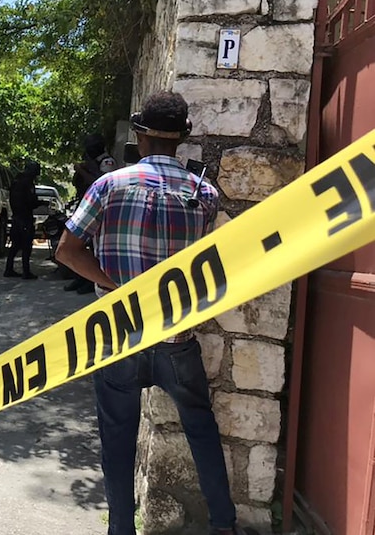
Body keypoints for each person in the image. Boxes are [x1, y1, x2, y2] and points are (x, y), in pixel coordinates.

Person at [56, 91, 256, 535]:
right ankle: (224, 524)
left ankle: (122, 528)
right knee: (202, 431)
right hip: (177, 340)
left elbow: (67, 251)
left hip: (119, 336)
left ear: (141, 135)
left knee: (117, 438)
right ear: (181, 139)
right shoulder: (203, 194)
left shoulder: (108, 186)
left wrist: (116, 285)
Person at [64, 134, 105, 294]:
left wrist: (82, 170)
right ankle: (81, 278)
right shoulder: (92, 162)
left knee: (94, 249)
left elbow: (99, 183)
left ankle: (91, 280)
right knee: (82, 246)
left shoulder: (105, 162)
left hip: (98, 209)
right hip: (86, 206)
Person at [4, 160, 42, 280]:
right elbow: (30, 202)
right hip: (24, 218)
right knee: (26, 246)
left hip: (16, 217)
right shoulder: (27, 183)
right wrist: (41, 202)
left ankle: (8, 269)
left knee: (15, 246)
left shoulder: (16, 181)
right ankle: (26, 272)